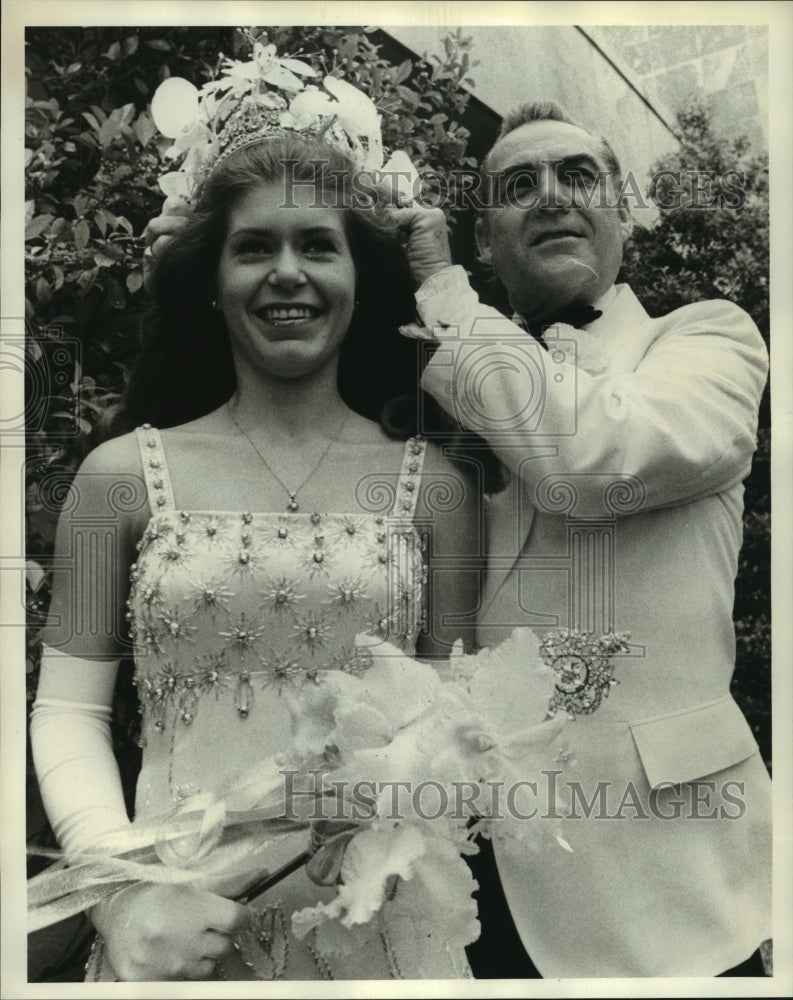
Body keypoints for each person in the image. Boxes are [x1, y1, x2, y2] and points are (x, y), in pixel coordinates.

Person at [30, 124, 481, 981]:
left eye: (318, 245)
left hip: (383, 935)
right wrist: (123, 896)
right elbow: (69, 713)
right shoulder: (123, 475)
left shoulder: (437, 488)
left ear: (359, 279)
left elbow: (457, 718)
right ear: (211, 280)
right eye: (253, 247)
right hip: (169, 935)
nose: (287, 272)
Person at [393, 100, 772, 978]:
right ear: (486, 237)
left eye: (578, 175)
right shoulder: (442, 376)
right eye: (518, 186)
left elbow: (589, 462)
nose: (551, 197)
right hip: (482, 883)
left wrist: (446, 297)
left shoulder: (709, 339)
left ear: (625, 211)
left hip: (676, 883)